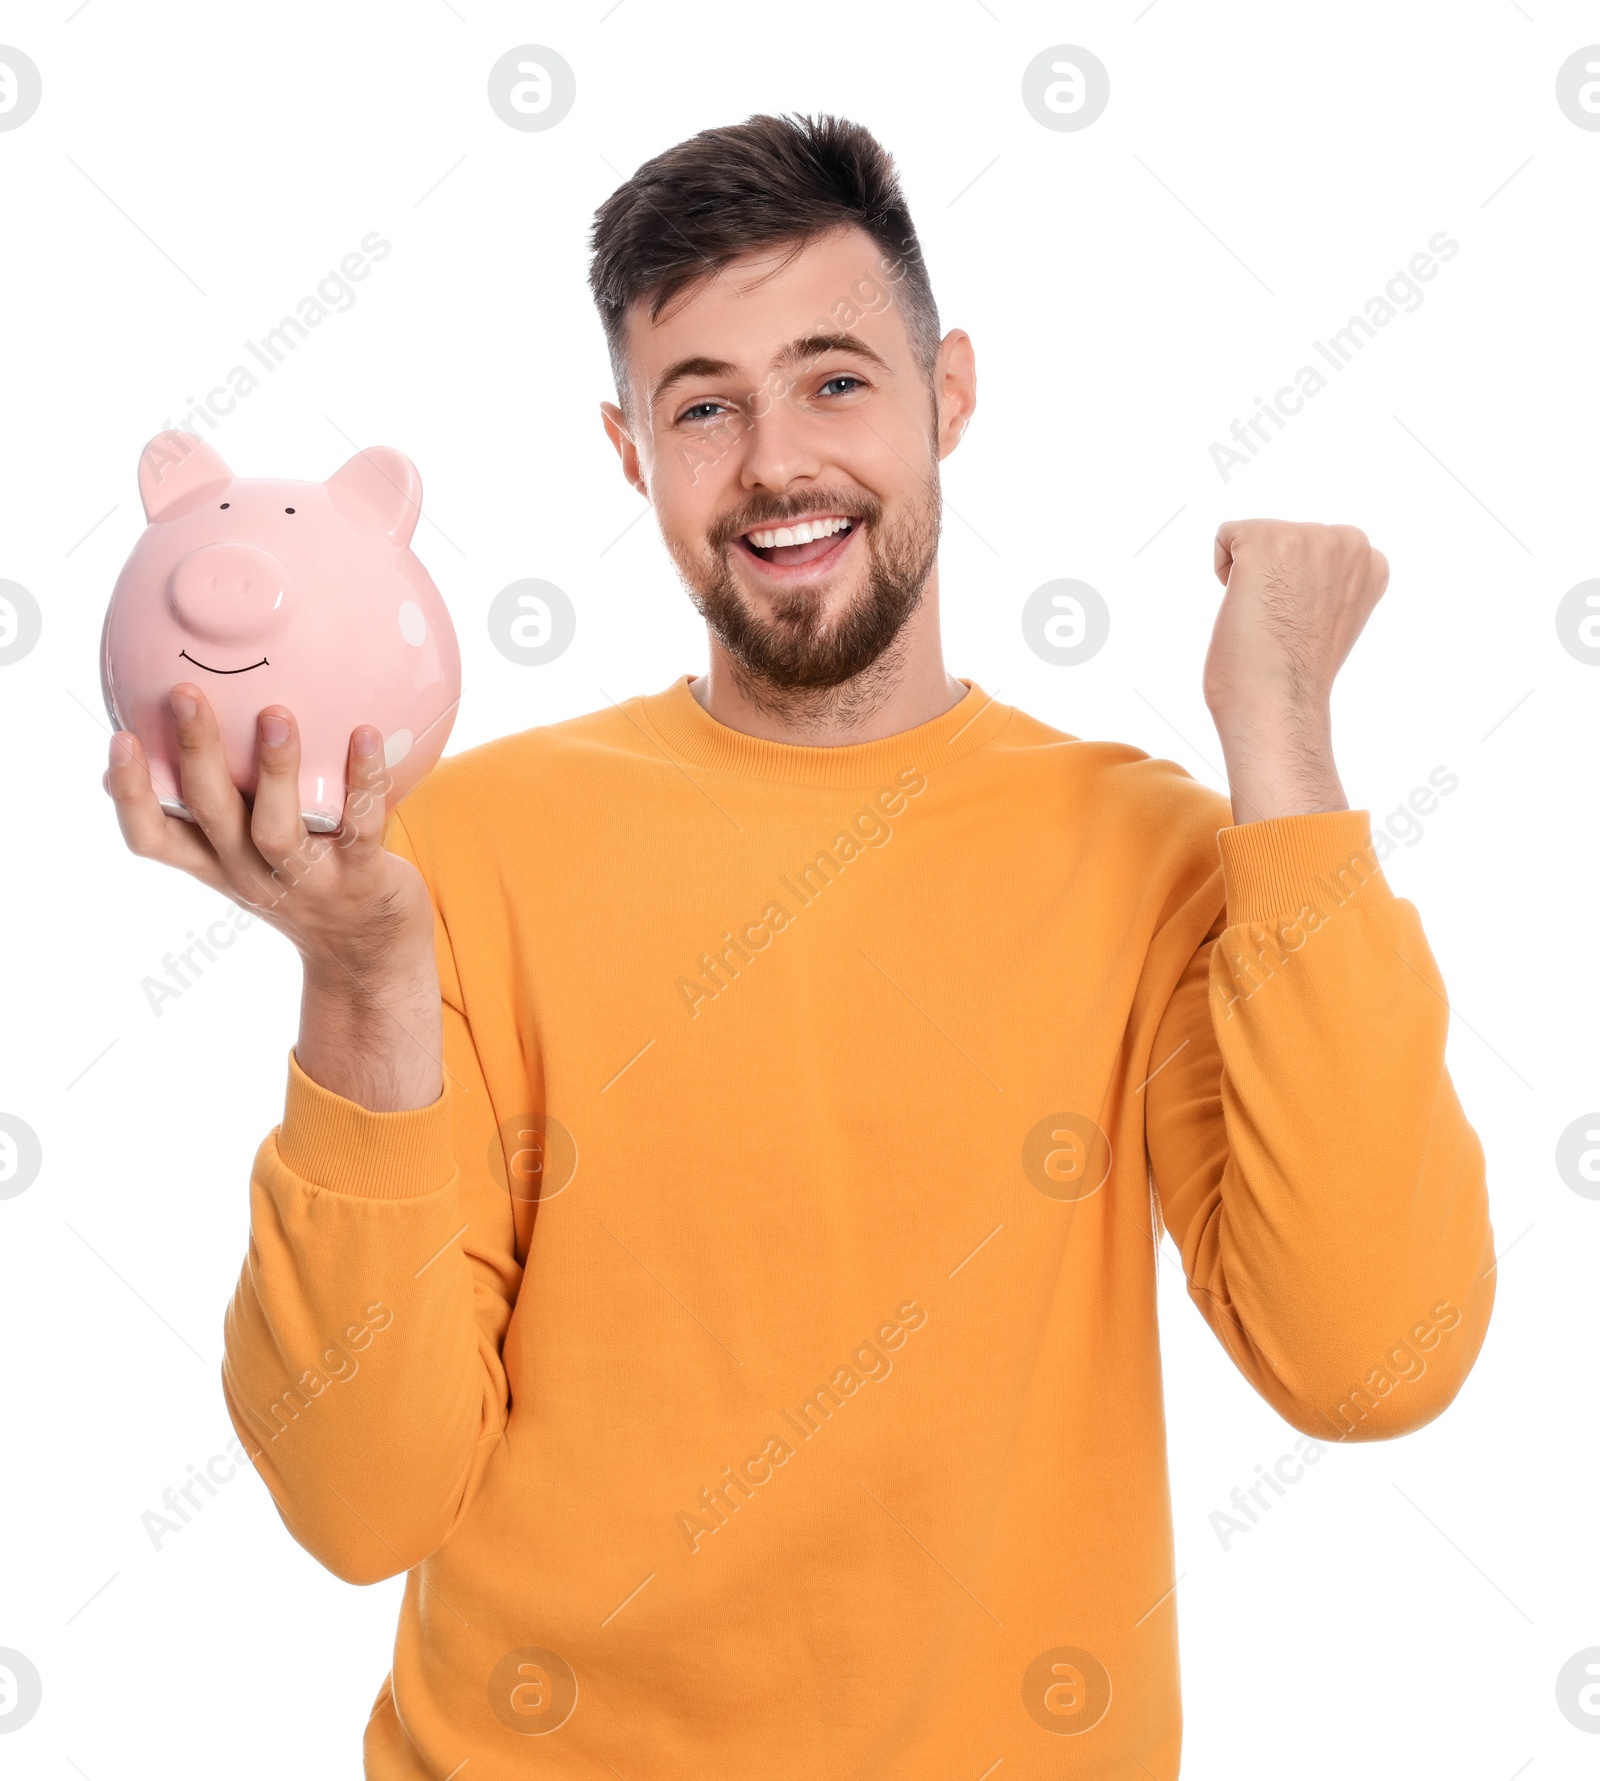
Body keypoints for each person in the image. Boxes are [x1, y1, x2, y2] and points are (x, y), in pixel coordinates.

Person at [104, 113, 1494, 1778]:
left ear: (948, 395)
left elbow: (1371, 1359)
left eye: (835, 378)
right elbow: (358, 1499)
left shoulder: (1164, 858)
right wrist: (359, 981)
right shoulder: (459, 854)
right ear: (630, 453)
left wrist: (1281, 744)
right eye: (705, 405)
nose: (774, 463)